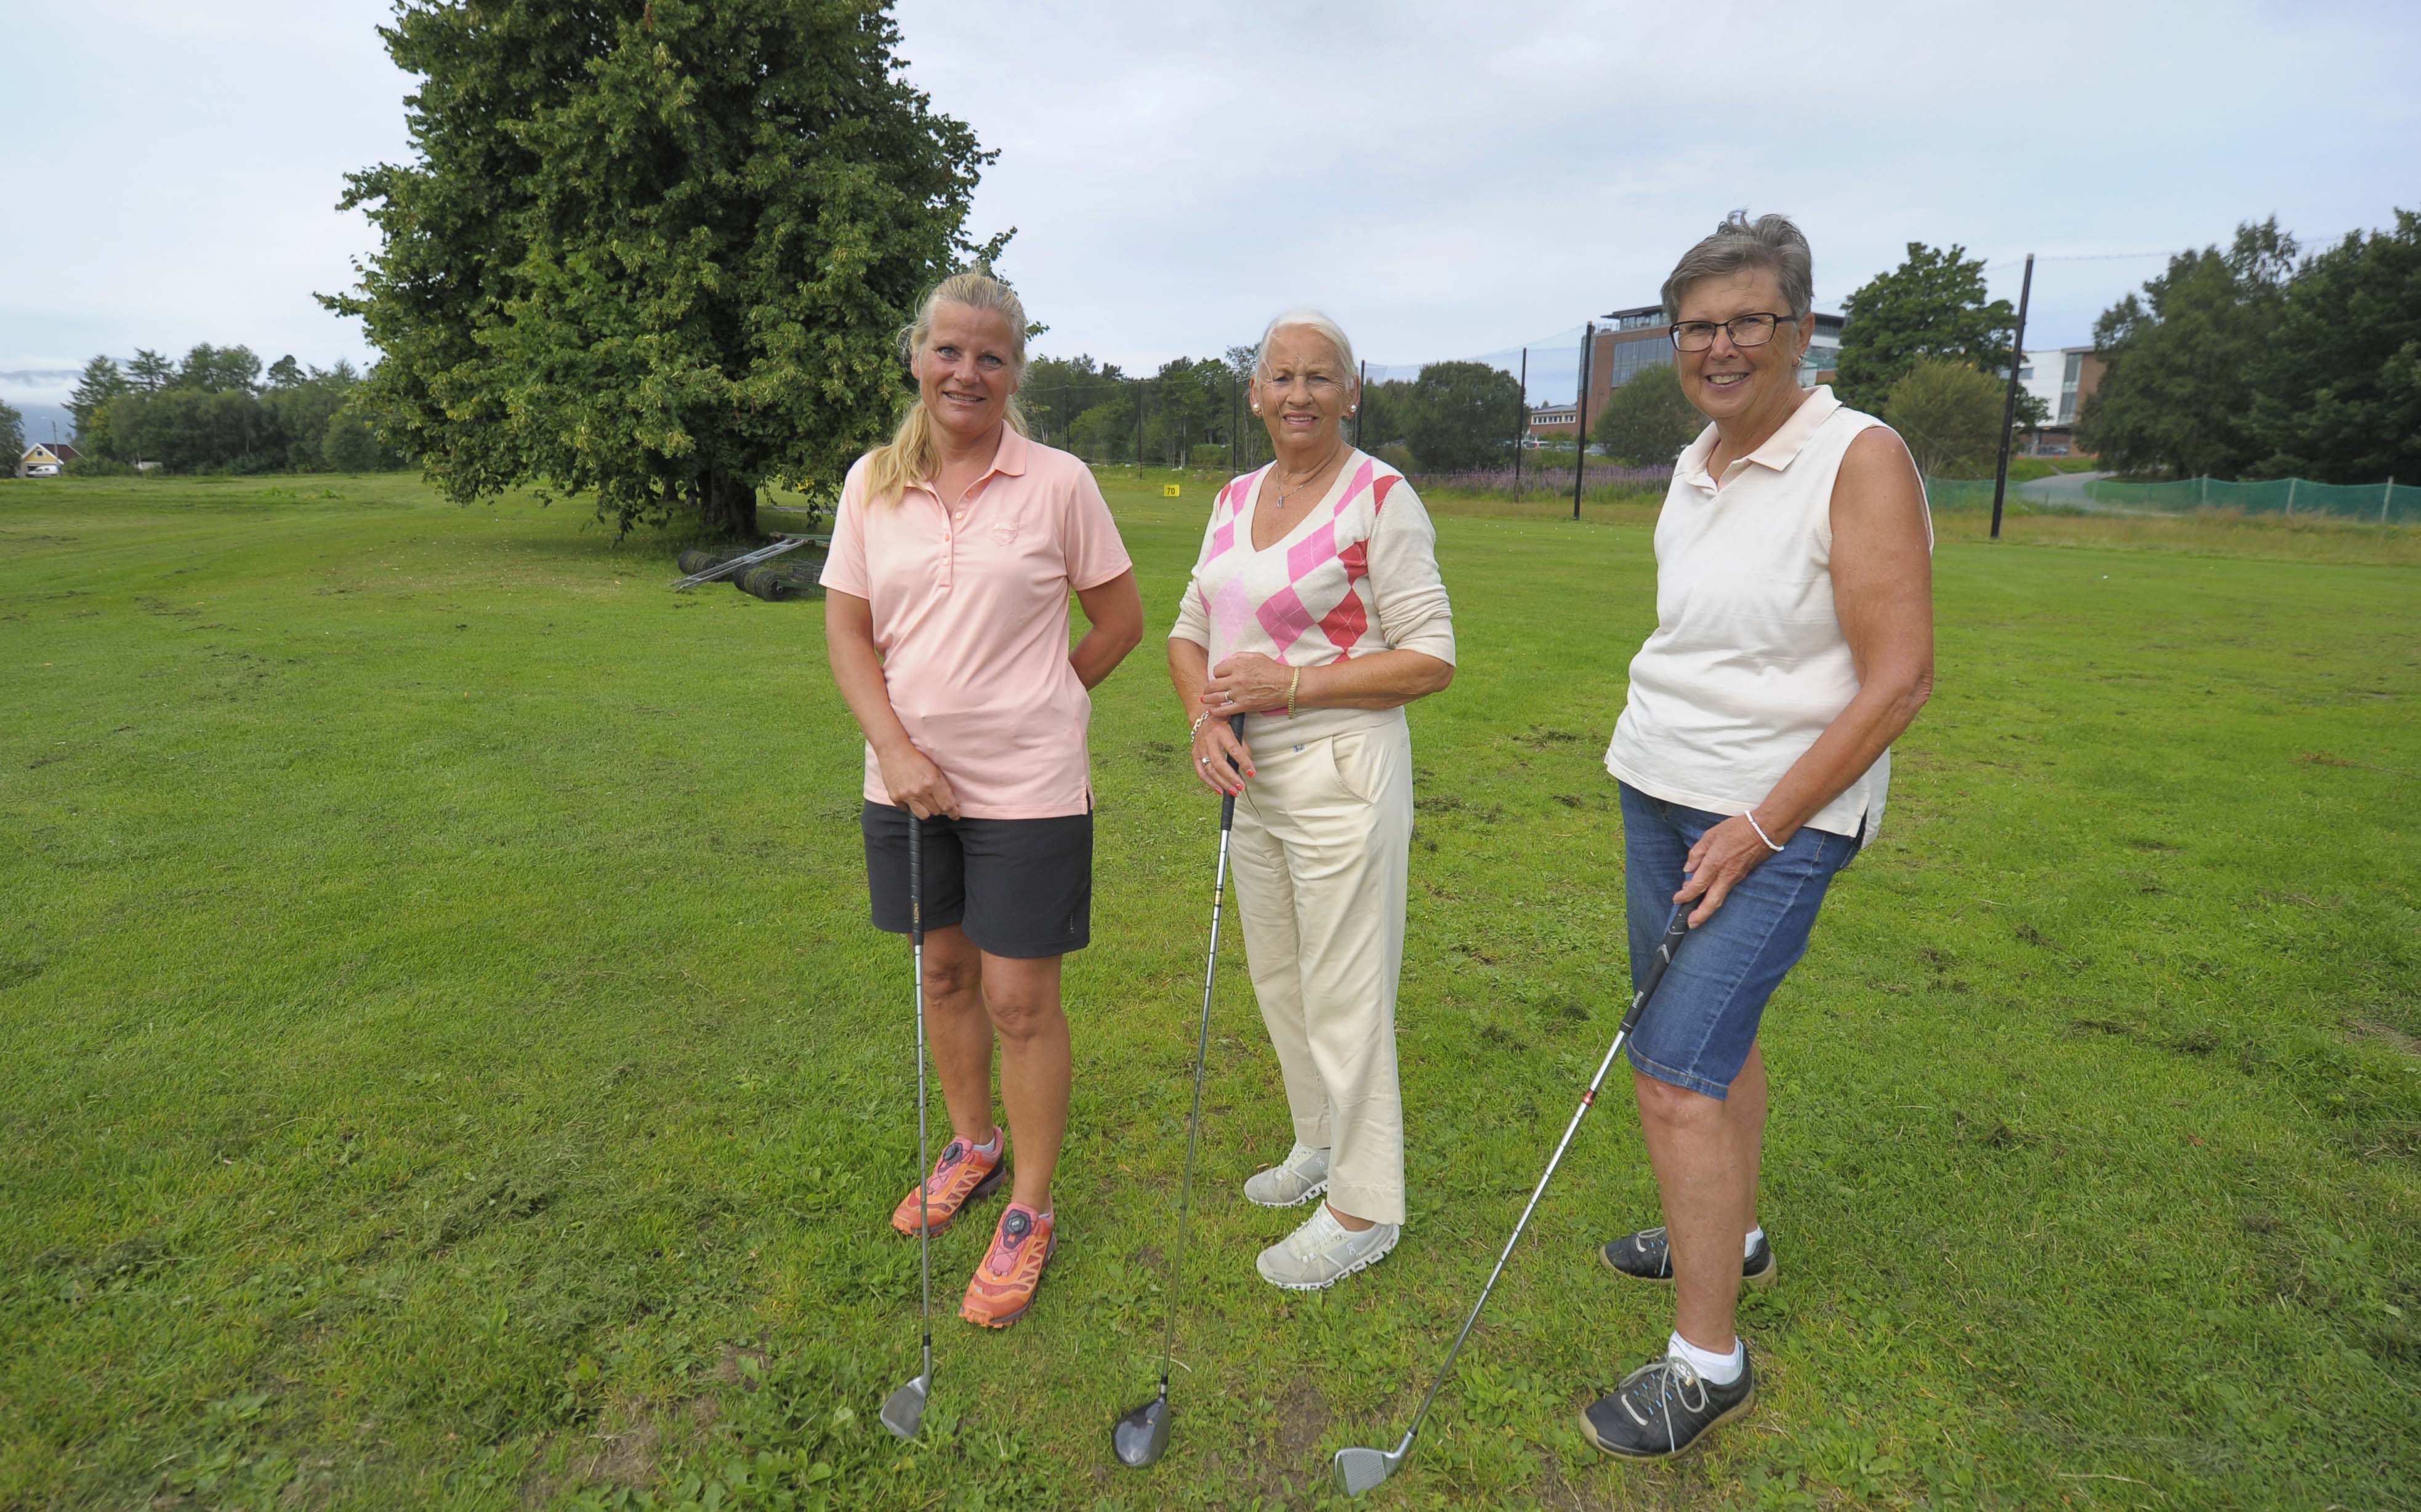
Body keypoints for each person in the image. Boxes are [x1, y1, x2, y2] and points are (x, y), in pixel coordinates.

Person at [1579, 212, 1934, 1457]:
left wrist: (1758, 824)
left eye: (1744, 322)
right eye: (1695, 327)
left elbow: (1897, 680)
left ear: (1798, 328)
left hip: (1776, 817)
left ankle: (1705, 1360)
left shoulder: (1859, 456)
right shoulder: (1700, 456)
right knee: (1713, 1050)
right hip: (1659, 786)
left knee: (1673, 1074)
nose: (1718, 345)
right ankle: (1725, 1238)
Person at [823, 271, 1143, 1329]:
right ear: (916, 356)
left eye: (991, 356)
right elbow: (847, 635)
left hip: (1029, 790)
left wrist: (1049, 699)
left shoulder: (1059, 482)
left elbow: (1120, 620)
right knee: (947, 973)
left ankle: (1032, 1211)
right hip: (905, 784)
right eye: (950, 351)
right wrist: (894, 747)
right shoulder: (871, 481)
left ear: (1015, 373)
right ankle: (974, 1145)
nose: (969, 372)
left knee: (1019, 1000)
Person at [1167, 309, 1456, 1291]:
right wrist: (1205, 721)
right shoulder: (1234, 497)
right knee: (1282, 977)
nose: (1299, 394)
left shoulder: (1382, 497)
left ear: (1352, 391)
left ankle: (1367, 1204)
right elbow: (1188, 631)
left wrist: (1291, 688)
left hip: (1343, 766)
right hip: (1252, 773)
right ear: (1255, 392)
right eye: (1281, 377)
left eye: (1320, 378)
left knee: (1347, 989)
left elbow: (1430, 659)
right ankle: (1319, 1140)